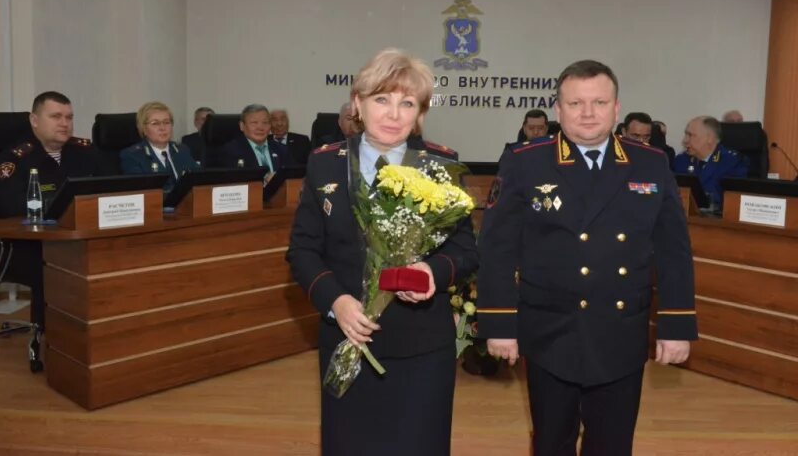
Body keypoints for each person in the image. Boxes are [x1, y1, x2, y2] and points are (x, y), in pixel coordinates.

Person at [477, 60, 697, 456]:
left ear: (617, 108)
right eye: (576, 103)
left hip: (621, 329)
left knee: (613, 444)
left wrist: (676, 325)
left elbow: (674, 250)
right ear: (558, 110)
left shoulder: (650, 162)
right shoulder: (525, 160)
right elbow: (497, 247)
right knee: (551, 441)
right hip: (550, 331)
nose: (588, 113)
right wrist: (499, 324)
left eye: (599, 102)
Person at [287, 48, 478, 456]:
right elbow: (303, 251)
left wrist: (432, 273)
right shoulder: (325, 165)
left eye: (407, 103)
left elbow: (465, 250)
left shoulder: (441, 164)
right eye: (382, 100)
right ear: (358, 104)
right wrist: (335, 302)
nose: (393, 114)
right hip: (348, 340)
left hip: (423, 346)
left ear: (420, 113)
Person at [0, 91, 106, 362]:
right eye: (55, 116)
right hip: (27, 245)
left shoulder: (86, 152)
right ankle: (55, 339)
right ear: (34, 120)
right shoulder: (15, 160)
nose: (64, 123)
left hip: (81, 238)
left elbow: (108, 189)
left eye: (69, 117)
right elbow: (10, 209)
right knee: (59, 264)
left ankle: (102, 332)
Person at [120, 101, 198, 192]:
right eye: (155, 123)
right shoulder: (133, 156)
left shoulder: (182, 150)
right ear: (143, 129)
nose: (162, 128)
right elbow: (141, 191)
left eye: (166, 122)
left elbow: (198, 180)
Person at [673, 116, 748, 210]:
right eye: (686, 135)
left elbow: (732, 201)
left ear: (710, 138)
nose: (685, 141)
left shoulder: (732, 162)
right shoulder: (681, 161)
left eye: (690, 135)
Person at [220, 104, 289, 171]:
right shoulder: (231, 151)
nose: (260, 128)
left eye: (265, 122)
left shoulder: (281, 149)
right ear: (242, 126)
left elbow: (293, 178)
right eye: (254, 122)